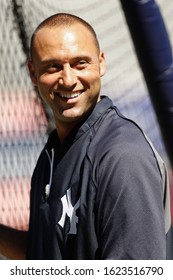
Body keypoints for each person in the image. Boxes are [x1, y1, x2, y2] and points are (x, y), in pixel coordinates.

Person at [27, 12, 172, 260]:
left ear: (101, 63)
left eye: (80, 63)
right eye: (53, 67)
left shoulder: (122, 158)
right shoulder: (53, 153)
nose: (68, 79)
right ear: (33, 73)